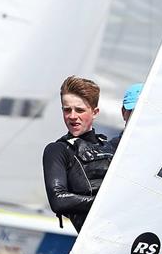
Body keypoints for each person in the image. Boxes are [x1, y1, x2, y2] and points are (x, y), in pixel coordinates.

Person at [42, 76, 115, 233]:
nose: (72, 116)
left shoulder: (113, 146)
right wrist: (104, 203)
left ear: (95, 112)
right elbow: (58, 200)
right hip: (96, 240)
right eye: (67, 110)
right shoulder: (58, 150)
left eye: (80, 110)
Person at [109, 82, 143, 149]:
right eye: (133, 111)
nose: (138, 118)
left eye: (143, 113)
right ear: (123, 112)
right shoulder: (109, 151)